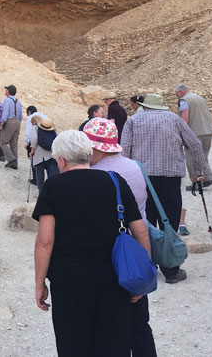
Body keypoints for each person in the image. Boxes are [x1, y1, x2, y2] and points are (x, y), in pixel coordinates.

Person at [33, 130, 150, 357]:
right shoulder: (116, 182)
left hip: (69, 282)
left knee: (73, 345)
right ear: (89, 154)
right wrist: (141, 278)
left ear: (62, 160)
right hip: (113, 279)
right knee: (114, 344)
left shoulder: (53, 187)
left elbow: (45, 242)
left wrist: (39, 284)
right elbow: (141, 231)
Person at [84, 117, 157, 357]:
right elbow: (141, 223)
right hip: (135, 249)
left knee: (111, 324)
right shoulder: (134, 166)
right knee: (139, 322)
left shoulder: (96, 174)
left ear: (95, 148)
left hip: (112, 254)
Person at [121, 93, 205, 284]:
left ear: (144, 106)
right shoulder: (174, 119)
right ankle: (171, 270)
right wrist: (197, 172)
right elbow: (196, 145)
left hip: (141, 178)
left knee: (144, 222)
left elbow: (124, 151)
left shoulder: (133, 121)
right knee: (169, 221)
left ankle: (148, 266)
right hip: (170, 179)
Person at [175, 83, 212, 190]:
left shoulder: (184, 100)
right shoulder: (200, 98)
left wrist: (180, 132)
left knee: (192, 158)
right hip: (207, 132)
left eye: (176, 94)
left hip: (194, 133)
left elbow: (185, 117)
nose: (177, 96)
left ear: (180, 92)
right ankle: (207, 178)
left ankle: (197, 183)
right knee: (203, 156)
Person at [29, 118, 60, 192]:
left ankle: (42, 196)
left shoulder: (35, 128)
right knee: (53, 179)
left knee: (40, 180)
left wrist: (32, 152)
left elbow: (34, 141)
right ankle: (52, 196)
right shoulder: (53, 130)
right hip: (51, 156)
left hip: (39, 157)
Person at [0, 85, 23, 169]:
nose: (5, 91)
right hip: (17, 122)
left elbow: (5, 113)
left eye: (6, 90)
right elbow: (21, 115)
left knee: (3, 142)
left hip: (10, 121)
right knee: (14, 144)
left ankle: (11, 159)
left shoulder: (7, 100)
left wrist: (2, 123)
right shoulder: (18, 101)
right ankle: (15, 164)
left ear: (8, 91)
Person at [25, 106, 46, 183]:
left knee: (34, 160)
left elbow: (28, 133)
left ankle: (36, 179)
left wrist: (27, 143)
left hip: (35, 142)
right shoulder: (44, 116)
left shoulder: (30, 118)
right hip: (45, 141)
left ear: (29, 112)